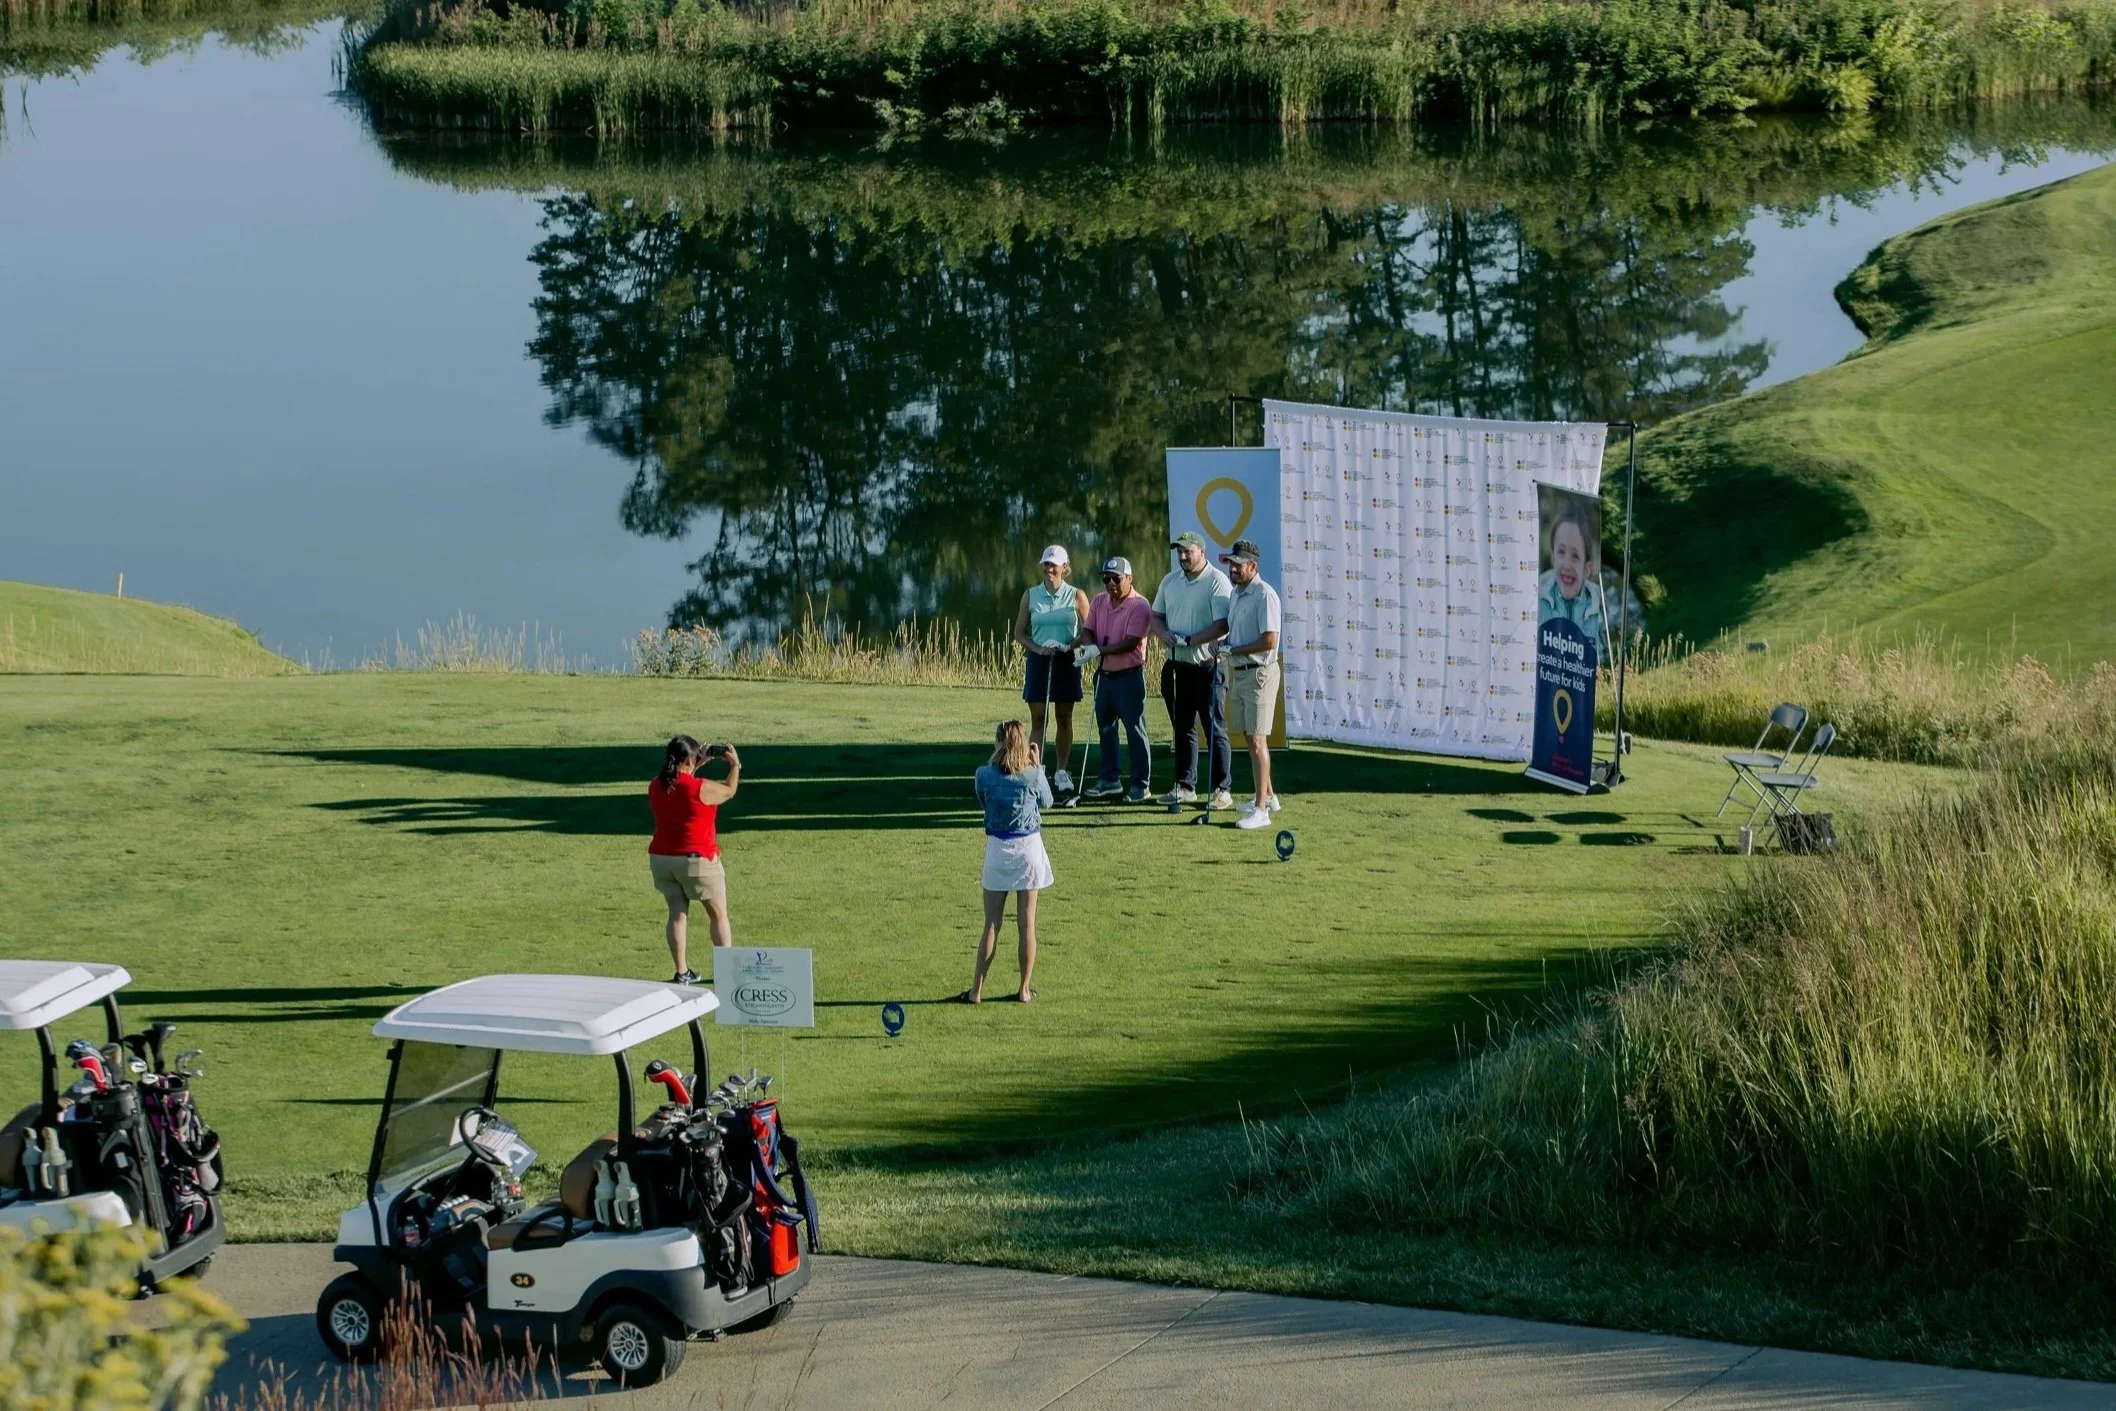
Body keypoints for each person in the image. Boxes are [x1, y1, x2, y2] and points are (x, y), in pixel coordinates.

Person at [963, 720, 1053, 1004]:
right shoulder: (1032, 775)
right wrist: (1038, 767)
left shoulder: (984, 775)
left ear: (998, 743)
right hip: (1028, 849)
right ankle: (1024, 990)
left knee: (991, 923)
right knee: (1027, 925)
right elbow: (1047, 802)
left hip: (998, 849)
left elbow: (983, 801)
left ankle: (976, 990)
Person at [647, 734, 741, 985]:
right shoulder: (699, 788)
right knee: (718, 914)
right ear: (690, 759)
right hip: (697, 860)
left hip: (662, 859)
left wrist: (698, 761)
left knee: (677, 914)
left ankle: (682, 973)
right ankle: (728, 973)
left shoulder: (656, 785)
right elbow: (729, 790)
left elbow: (678, 779)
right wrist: (734, 766)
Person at [1152, 530, 1234, 810]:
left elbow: (1222, 624)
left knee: (1214, 729)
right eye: (1180, 552)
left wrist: (1189, 639)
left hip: (1209, 666)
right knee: (1183, 728)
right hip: (1178, 667)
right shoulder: (1170, 581)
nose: (1183, 556)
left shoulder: (1216, 581)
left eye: (1188, 551)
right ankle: (1186, 786)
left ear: (1202, 552)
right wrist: (1162, 633)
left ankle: (1222, 789)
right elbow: (1156, 616)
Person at [1075, 556, 1154, 803]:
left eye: (1115, 579)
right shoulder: (1099, 601)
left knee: (1135, 731)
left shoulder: (1139, 605)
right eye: (1106, 579)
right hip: (1104, 678)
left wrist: (1099, 650)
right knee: (1106, 730)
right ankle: (1110, 781)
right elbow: (1088, 630)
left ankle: (1141, 785)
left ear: (1129, 578)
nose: (1110, 584)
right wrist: (1089, 647)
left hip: (1129, 678)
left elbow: (1131, 641)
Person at [1013, 544, 1090, 795]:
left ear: (1064, 568)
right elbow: (1019, 633)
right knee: (1038, 719)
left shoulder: (1076, 595)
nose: (1049, 569)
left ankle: (1061, 771)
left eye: (1054, 565)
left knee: (1064, 717)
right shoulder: (1030, 595)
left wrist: (1071, 646)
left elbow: (1089, 631)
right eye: (1046, 564)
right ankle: (1036, 770)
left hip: (1065, 660)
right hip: (1039, 660)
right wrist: (1038, 648)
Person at [1219, 538, 1283, 829]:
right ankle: (1268, 795)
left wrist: (1234, 650)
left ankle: (1261, 811)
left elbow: (1269, 640)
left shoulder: (1264, 595)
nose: (1232, 569)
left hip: (1260, 673)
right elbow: (1236, 632)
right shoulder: (1236, 593)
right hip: (1240, 671)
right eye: (1231, 564)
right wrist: (1223, 645)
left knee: (1258, 740)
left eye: (1238, 565)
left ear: (1253, 566)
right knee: (1247, 734)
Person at [1538, 510, 1609, 652]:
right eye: (1561, 552)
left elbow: (1602, 657)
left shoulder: (1597, 609)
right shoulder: (1538, 600)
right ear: (1553, 558)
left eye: (1575, 556)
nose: (1567, 565)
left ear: (1587, 570)